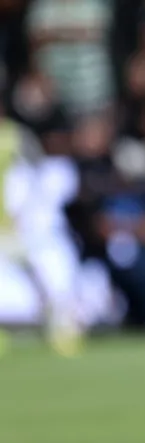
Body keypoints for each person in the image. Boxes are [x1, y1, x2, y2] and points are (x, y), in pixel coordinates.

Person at [0, 103, 82, 358]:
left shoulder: (14, 135)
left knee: (32, 271)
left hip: (8, 222)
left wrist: (25, 207)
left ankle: (57, 322)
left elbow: (38, 171)